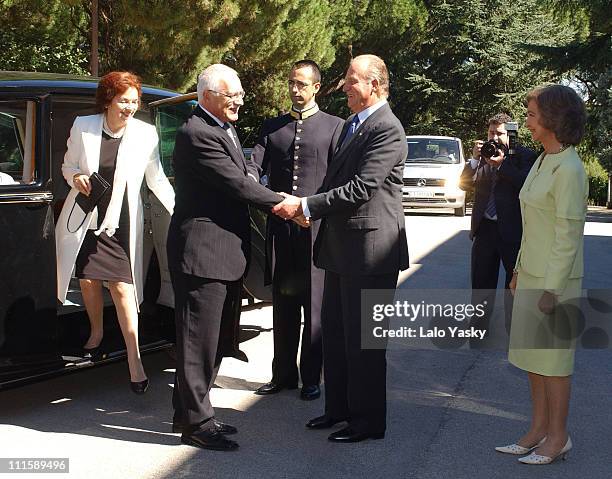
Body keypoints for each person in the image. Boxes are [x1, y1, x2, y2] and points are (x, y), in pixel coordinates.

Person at [272, 54, 409, 442]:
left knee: (364, 344)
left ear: (375, 86)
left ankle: (367, 423)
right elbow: (337, 182)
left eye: (352, 81)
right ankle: (339, 410)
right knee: (333, 334)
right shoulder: (353, 123)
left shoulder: (387, 129)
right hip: (342, 249)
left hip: (371, 253)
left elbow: (362, 188)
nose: (344, 87)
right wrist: (309, 209)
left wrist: (306, 207)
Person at [167, 64, 285, 451]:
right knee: (198, 341)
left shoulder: (223, 128)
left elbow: (245, 169)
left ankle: (186, 413)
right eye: (231, 95)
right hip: (202, 251)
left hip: (222, 252)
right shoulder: (197, 132)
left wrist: (256, 180)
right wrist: (285, 204)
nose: (239, 101)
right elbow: (235, 183)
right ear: (207, 96)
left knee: (214, 340)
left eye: (240, 95)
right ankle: (198, 424)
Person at [55, 71, 175, 394]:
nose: (130, 107)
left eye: (134, 102)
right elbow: (67, 166)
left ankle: (134, 361)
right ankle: (96, 333)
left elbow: (157, 178)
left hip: (121, 220)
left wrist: (179, 212)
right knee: (88, 280)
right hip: (86, 216)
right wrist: (76, 177)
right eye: (124, 100)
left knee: (123, 288)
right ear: (108, 99)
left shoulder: (146, 134)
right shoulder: (84, 126)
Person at [496, 85, 588, 465]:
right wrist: (517, 270)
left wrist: (552, 288)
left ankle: (558, 437)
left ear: (552, 119)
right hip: (530, 273)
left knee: (554, 365)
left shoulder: (570, 167)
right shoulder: (540, 160)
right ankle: (537, 430)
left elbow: (567, 235)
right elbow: (531, 225)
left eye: (532, 115)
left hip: (556, 282)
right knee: (533, 360)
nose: (527, 122)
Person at [251, 60, 343, 401]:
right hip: (281, 230)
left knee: (314, 308)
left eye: (302, 84)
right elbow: (251, 169)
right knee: (284, 305)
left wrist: (312, 210)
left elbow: (340, 181)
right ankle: (283, 375)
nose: (295, 89)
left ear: (316, 87)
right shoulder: (272, 127)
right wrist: (270, 202)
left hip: (317, 232)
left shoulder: (335, 127)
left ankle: (311, 378)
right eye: (291, 83)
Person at [459, 114, 537, 336]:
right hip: (485, 228)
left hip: (512, 230)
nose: (495, 137)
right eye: (491, 132)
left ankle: (513, 329)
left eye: (500, 133)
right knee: (481, 280)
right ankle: (479, 326)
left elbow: (525, 185)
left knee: (512, 284)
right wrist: (474, 161)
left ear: (511, 134)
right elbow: (464, 185)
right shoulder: (483, 155)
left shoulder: (524, 156)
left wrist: (502, 165)